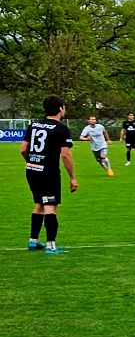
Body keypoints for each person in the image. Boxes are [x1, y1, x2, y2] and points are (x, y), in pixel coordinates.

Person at [22, 96, 78, 254]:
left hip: (32, 170)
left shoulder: (34, 125)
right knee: (50, 206)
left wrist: (33, 162)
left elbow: (23, 149)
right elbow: (65, 155)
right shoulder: (61, 129)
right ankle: (51, 246)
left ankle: (33, 241)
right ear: (60, 108)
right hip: (48, 172)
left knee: (40, 203)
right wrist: (72, 177)